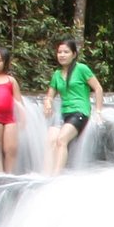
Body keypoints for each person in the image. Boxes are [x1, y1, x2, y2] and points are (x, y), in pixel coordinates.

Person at [44, 38, 101, 176]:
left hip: (80, 111)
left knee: (61, 139)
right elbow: (50, 94)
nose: (62, 55)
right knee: (50, 140)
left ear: (74, 54)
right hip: (64, 113)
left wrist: (98, 111)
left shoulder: (82, 69)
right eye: (59, 52)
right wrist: (48, 102)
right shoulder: (57, 75)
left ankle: (55, 177)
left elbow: (98, 88)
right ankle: (45, 175)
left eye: (66, 52)